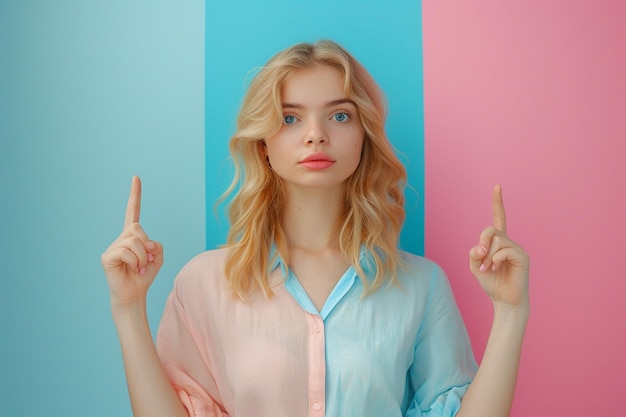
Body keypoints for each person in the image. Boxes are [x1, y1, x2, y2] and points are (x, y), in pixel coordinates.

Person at [101, 40, 530, 417]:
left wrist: (511, 313)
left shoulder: (421, 285)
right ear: (263, 144)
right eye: (289, 119)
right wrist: (128, 310)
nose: (315, 135)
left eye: (339, 116)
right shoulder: (203, 282)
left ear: (364, 135)